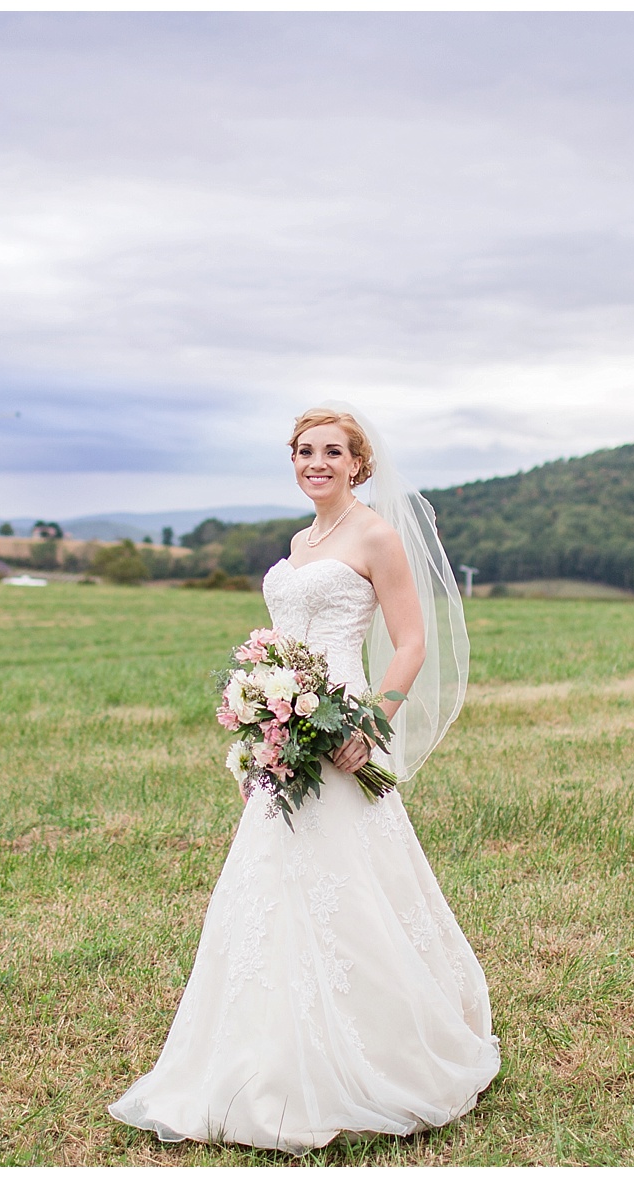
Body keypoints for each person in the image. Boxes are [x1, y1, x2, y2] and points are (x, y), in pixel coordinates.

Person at [109, 405, 499, 1154]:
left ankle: (381, 1046)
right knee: (270, 885)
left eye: (330, 452)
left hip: (343, 725)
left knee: (350, 880)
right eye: (302, 451)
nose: (314, 462)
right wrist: (263, 708)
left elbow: (412, 641)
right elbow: (289, 642)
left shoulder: (375, 535)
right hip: (290, 729)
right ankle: (262, 1054)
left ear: (359, 464)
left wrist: (369, 723)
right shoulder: (300, 542)